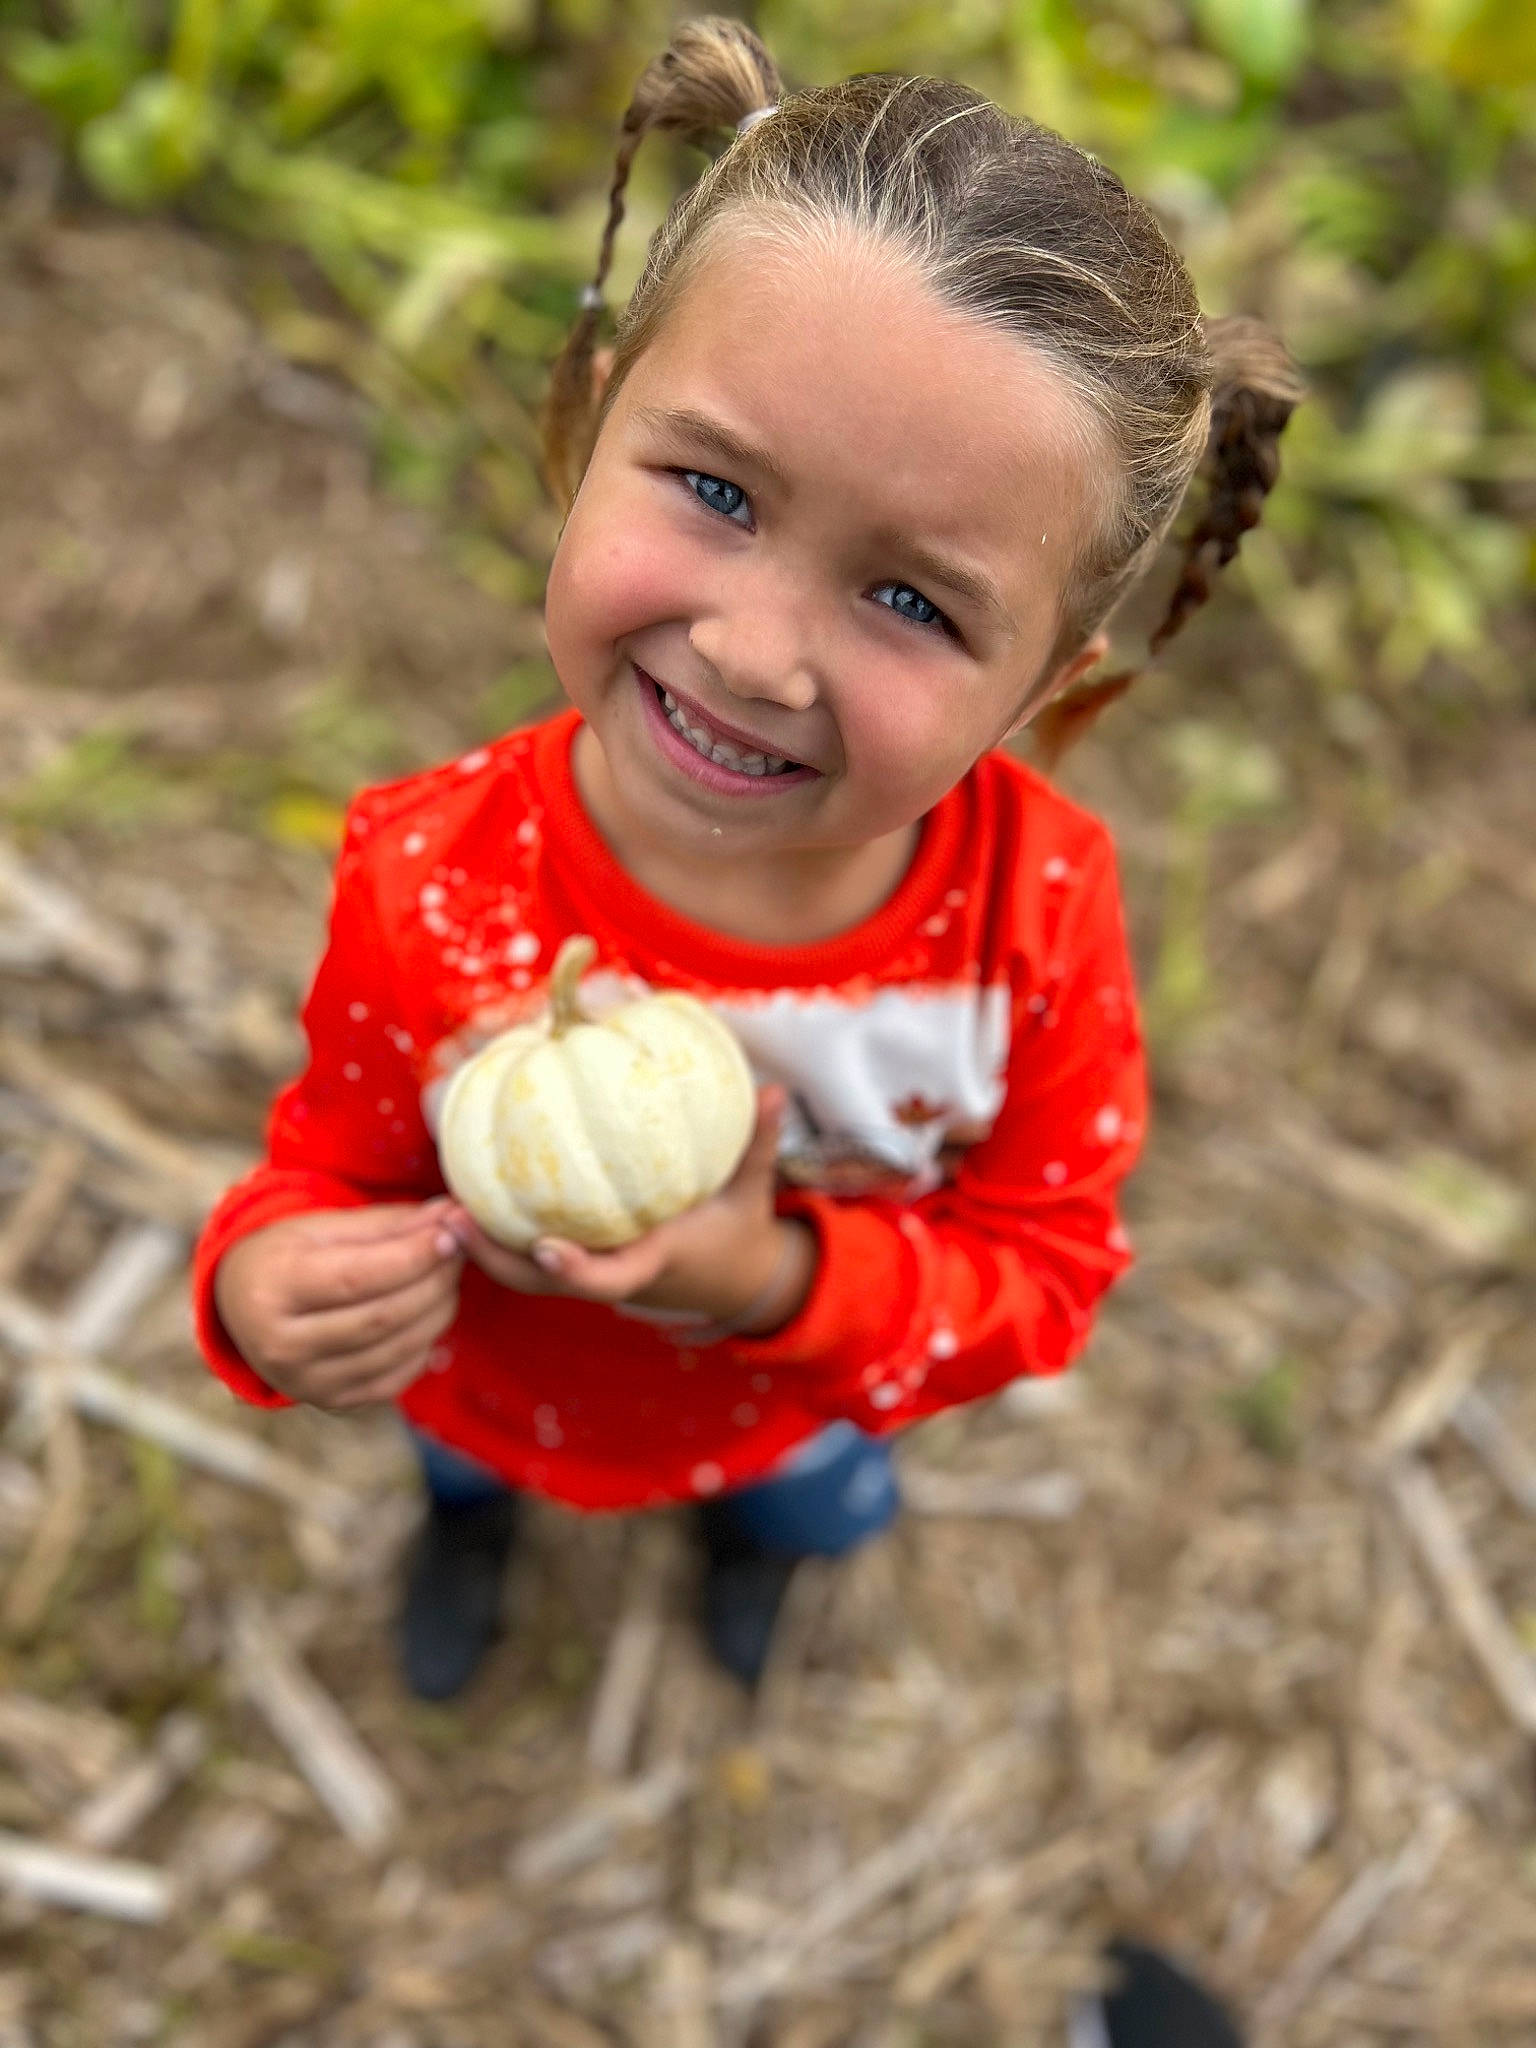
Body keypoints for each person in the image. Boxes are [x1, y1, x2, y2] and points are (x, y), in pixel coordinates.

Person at [192, 18, 1303, 1701]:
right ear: (588, 422)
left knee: (805, 1506)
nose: (760, 654)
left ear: (1045, 688)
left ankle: (748, 1550)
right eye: (714, 488)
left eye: (914, 602)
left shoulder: (1032, 923)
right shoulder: (434, 871)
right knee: (461, 1462)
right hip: (485, 1385)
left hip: (793, 1406)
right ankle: (473, 1528)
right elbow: (329, 1167)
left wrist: (766, 1275)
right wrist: (257, 1286)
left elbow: (1045, 1278)